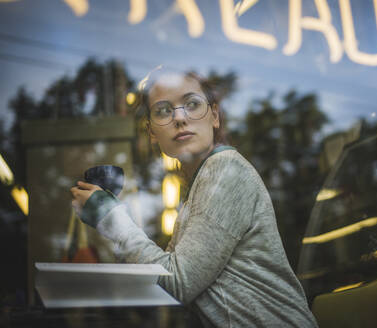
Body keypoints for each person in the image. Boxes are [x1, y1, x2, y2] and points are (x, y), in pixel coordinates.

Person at [70, 67, 318, 328]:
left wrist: (109, 216)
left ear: (214, 116)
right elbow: (166, 279)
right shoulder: (200, 183)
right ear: (152, 132)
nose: (179, 118)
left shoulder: (225, 169)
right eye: (164, 111)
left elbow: (178, 283)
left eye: (191, 104)